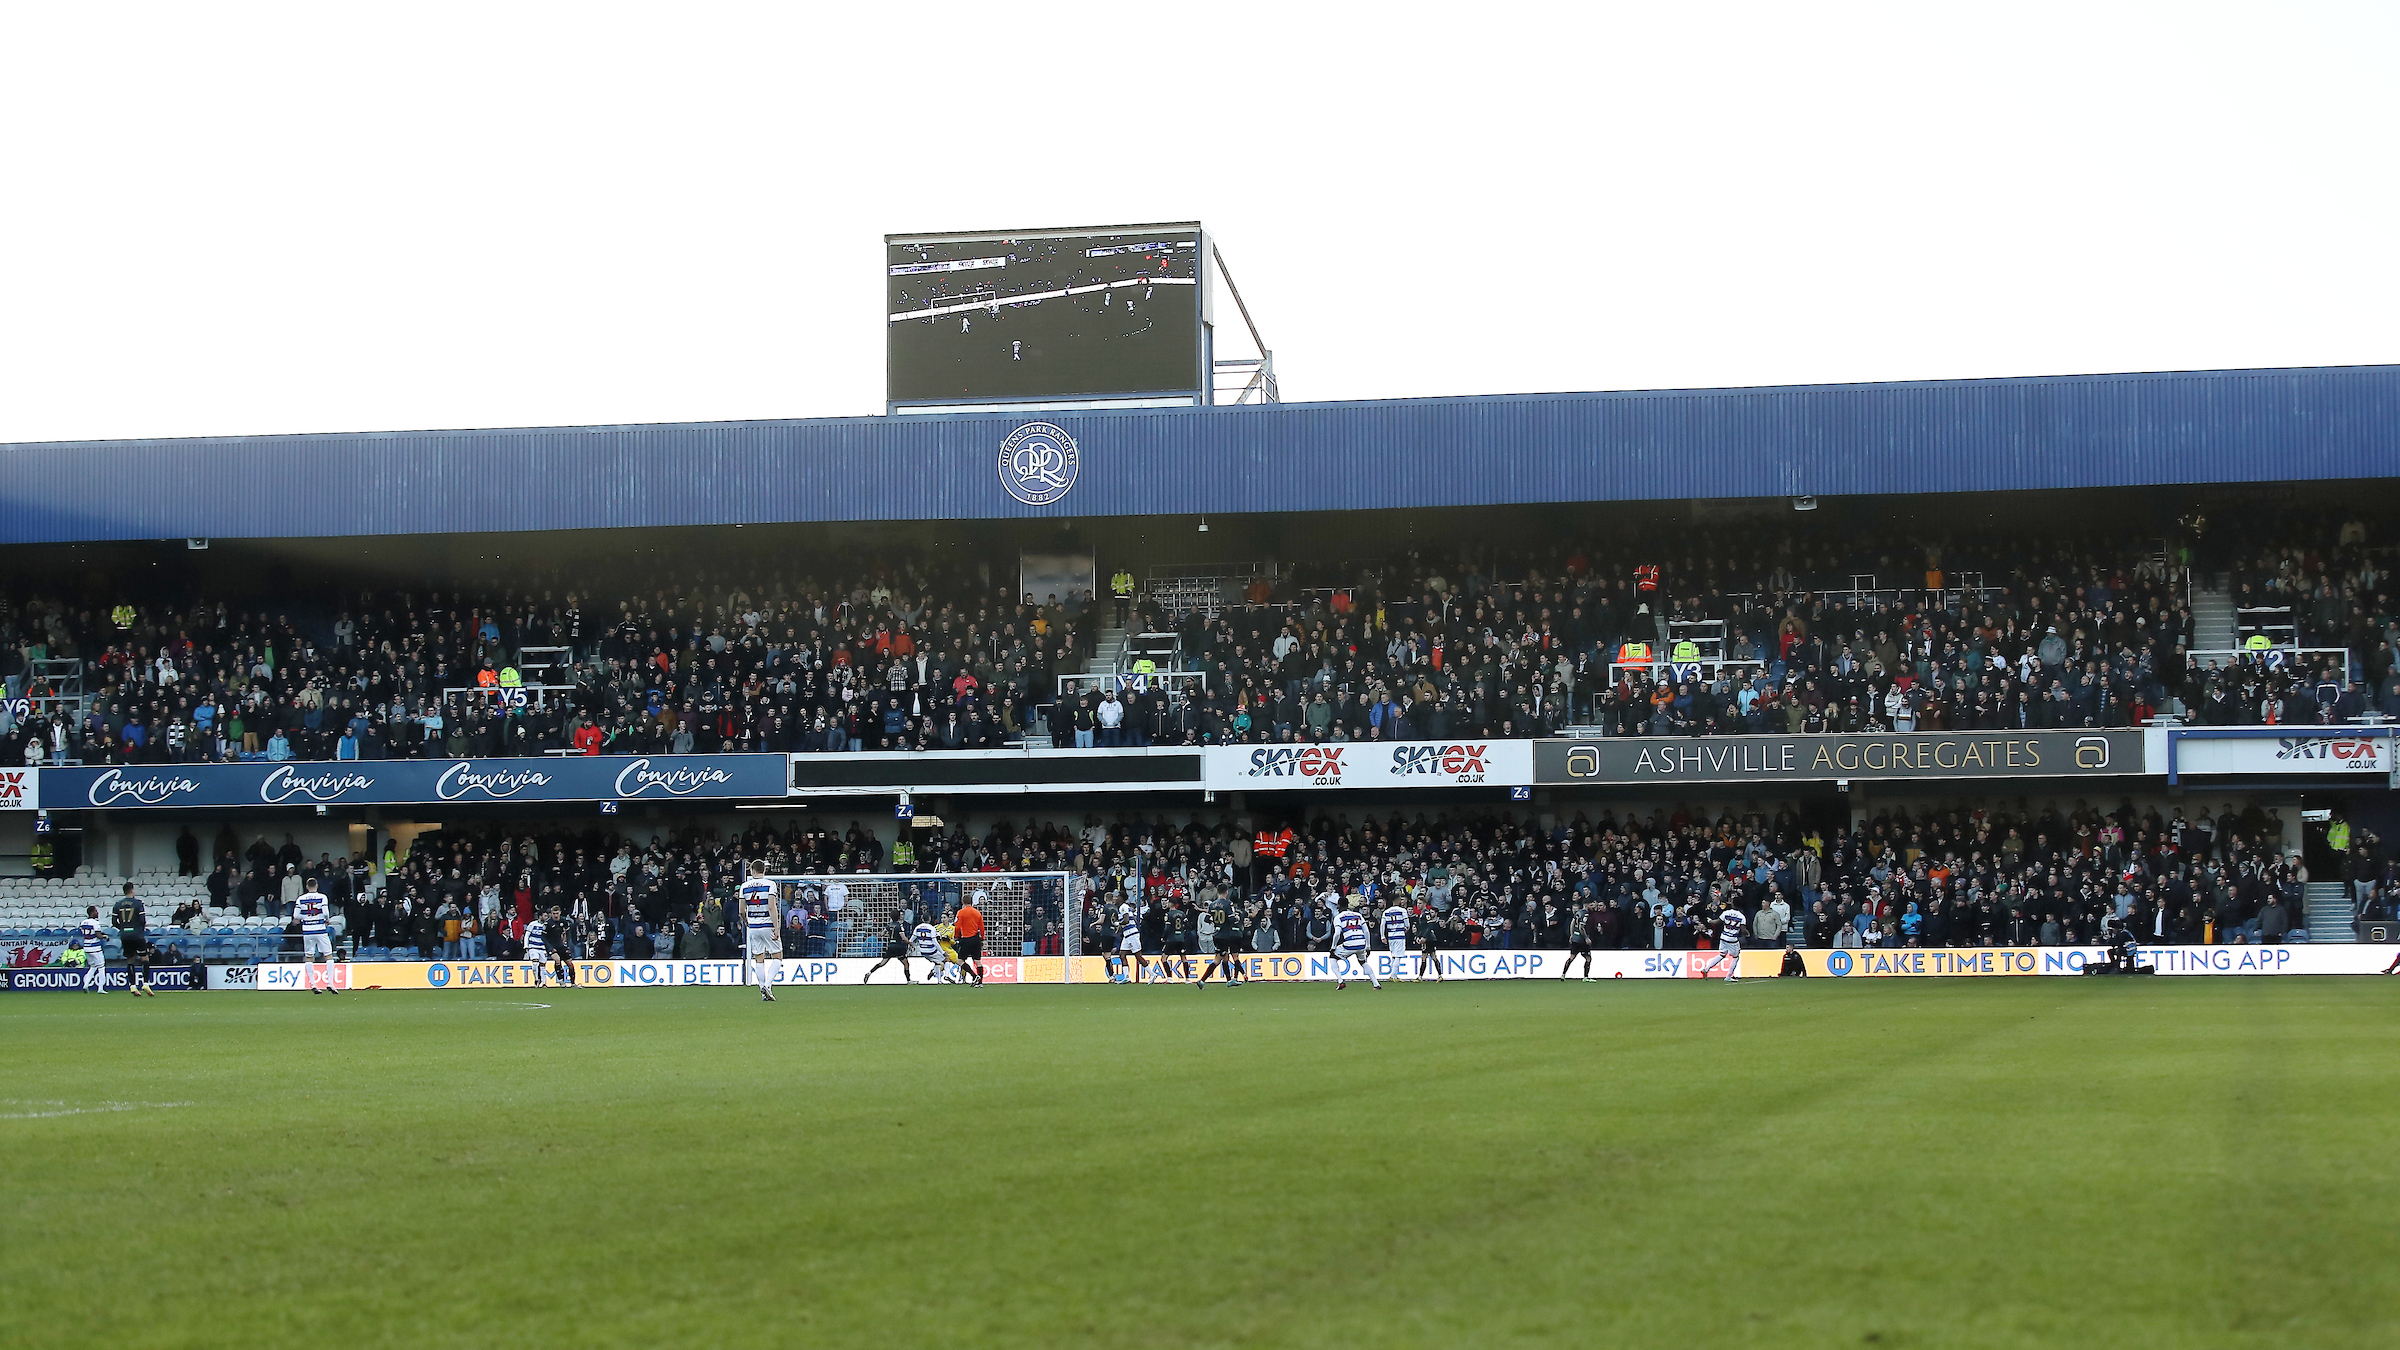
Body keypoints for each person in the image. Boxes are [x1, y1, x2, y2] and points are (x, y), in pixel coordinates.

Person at [740, 871, 781, 1002]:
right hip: (767, 924)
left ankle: (762, 989)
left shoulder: (744, 886)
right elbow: (771, 907)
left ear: (752, 871)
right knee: (777, 956)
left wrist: (746, 921)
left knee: (759, 958)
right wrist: (776, 927)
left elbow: (741, 910)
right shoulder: (770, 884)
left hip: (753, 927)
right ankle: (767, 985)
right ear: (763, 870)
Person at [294, 882, 340, 995]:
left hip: (307, 930)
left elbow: (295, 916)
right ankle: (330, 983)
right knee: (328, 955)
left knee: (309, 956)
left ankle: (313, 984)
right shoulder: (322, 897)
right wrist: (326, 919)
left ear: (306, 887)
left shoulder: (301, 899)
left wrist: (304, 917)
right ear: (317, 886)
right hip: (320, 929)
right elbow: (325, 912)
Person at [1328, 898, 1380, 991]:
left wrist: (1333, 947)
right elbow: (1366, 931)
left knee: (1333, 957)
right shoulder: (1358, 915)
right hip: (1361, 943)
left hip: (1350, 943)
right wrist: (1368, 946)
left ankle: (1340, 981)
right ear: (1348, 905)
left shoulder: (1338, 917)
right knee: (1363, 962)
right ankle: (1376, 984)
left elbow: (1337, 933)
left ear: (1338, 906)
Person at [1195, 905, 1243, 988]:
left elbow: (1207, 919)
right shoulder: (1227, 906)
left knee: (1225, 958)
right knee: (1218, 959)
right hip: (1223, 936)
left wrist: (1213, 921)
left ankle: (1229, 980)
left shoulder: (1213, 906)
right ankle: (1202, 980)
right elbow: (1233, 919)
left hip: (1216, 935)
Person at [863, 913, 918, 984]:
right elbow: (903, 938)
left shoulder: (889, 925)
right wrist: (910, 943)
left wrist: (890, 935)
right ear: (898, 917)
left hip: (891, 946)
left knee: (882, 963)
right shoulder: (900, 926)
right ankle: (909, 980)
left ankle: (869, 972)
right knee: (906, 964)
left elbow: (881, 934)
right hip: (898, 947)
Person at [954, 890, 987, 986]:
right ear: (971, 901)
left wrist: (956, 937)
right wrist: (982, 938)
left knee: (960, 960)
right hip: (976, 938)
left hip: (966, 939)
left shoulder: (961, 913)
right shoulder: (977, 913)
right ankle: (980, 982)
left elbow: (957, 927)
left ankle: (973, 976)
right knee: (977, 961)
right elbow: (982, 927)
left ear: (962, 902)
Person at [76, 905, 109, 993]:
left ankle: (85, 985)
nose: (97, 913)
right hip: (95, 947)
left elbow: (91, 932)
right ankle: (101, 988)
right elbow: (98, 935)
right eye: (96, 911)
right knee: (101, 967)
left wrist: (102, 933)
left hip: (86, 947)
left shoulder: (83, 922)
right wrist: (105, 937)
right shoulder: (95, 923)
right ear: (92, 912)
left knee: (93, 967)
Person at [1560, 902, 1596, 981]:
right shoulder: (1585, 914)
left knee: (1571, 957)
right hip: (1581, 940)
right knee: (1588, 958)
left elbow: (1572, 923)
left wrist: (1572, 934)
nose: (1593, 907)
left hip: (1575, 939)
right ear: (1586, 905)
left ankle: (1563, 975)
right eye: (1591, 905)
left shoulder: (1578, 913)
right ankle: (1585, 977)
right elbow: (1581, 927)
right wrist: (1586, 938)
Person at [1413, 903, 1446, 982]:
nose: (1418, 905)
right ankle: (1439, 975)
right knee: (1433, 956)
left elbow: (1429, 926)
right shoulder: (1421, 914)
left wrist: (1424, 937)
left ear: (1424, 904)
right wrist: (1418, 936)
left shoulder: (1426, 913)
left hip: (1428, 939)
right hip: (1429, 938)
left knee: (1425, 957)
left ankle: (1420, 977)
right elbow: (1422, 928)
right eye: (1417, 903)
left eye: (1420, 903)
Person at [1380, 898, 1411, 979]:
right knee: (1398, 956)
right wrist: (1406, 928)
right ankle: (1393, 975)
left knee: (1394, 955)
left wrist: (1383, 936)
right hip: (1400, 935)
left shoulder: (1386, 912)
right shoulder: (1402, 910)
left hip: (1391, 936)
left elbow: (1382, 925)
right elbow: (1407, 924)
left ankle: (1394, 975)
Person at [1717, 904, 1747, 982]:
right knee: (1736, 957)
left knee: (1721, 954)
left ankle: (1706, 969)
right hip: (1732, 938)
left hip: (1723, 936)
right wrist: (1747, 933)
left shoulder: (1726, 912)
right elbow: (1743, 930)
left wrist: (1709, 921)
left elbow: (1718, 921)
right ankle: (1728, 976)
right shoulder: (1741, 916)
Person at [524, 910, 552, 987]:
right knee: (535, 964)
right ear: (540, 916)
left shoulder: (548, 925)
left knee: (543, 966)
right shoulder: (533, 924)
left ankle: (543, 982)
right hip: (533, 947)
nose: (546, 917)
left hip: (543, 948)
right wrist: (526, 946)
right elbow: (527, 935)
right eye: (545, 916)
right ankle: (536, 979)